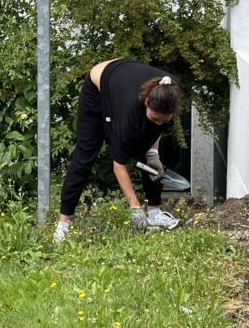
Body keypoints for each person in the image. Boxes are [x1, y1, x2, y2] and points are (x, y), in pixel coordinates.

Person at [55, 58, 183, 243]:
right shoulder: (128, 112)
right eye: (155, 118)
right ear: (146, 102)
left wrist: (153, 154)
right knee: (85, 155)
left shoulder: (169, 94)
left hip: (125, 81)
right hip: (98, 86)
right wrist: (134, 206)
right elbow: (119, 165)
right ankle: (63, 225)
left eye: (163, 120)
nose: (158, 123)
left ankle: (155, 212)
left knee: (154, 157)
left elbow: (156, 129)